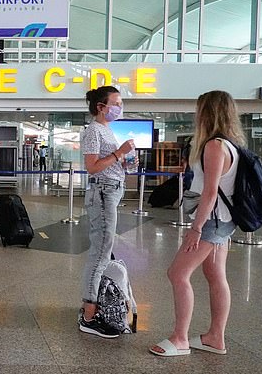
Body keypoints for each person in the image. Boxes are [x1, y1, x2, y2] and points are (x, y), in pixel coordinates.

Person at [150, 90, 241, 357]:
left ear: (208, 112)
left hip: (211, 222)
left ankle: (180, 338)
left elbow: (211, 192)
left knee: (178, 273)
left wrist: (196, 228)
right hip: (224, 220)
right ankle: (215, 337)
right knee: (216, 276)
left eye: (199, 109)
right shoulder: (230, 144)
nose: (195, 114)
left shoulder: (214, 146)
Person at [78, 85, 135, 339]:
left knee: (103, 250)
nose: (119, 108)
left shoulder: (106, 130)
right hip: (102, 192)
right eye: (116, 103)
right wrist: (118, 153)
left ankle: (91, 306)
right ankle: (89, 316)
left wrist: (125, 159)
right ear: (101, 106)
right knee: (100, 253)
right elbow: (92, 167)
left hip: (111, 191)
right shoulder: (93, 130)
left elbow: (109, 163)